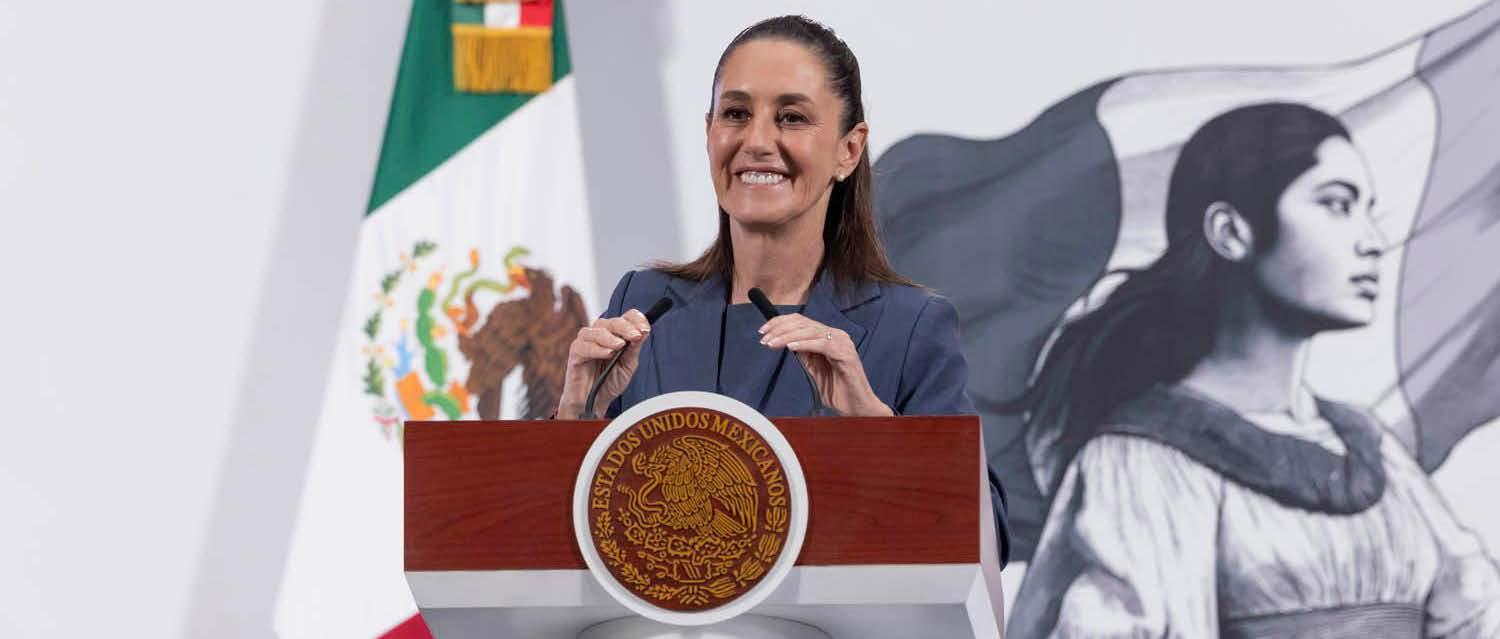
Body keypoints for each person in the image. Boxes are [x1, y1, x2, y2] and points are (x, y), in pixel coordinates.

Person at [1006, 103, 1500, 637]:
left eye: (1367, 210)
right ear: (1230, 232)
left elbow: (1470, 610)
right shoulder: (1144, 461)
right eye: (1337, 205)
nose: (1373, 241)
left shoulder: (1372, 448)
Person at [552, 15, 1008, 565]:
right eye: (736, 114)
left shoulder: (909, 326)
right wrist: (574, 414)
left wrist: (875, 428)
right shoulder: (644, 302)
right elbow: (546, 527)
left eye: (791, 118)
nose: (757, 141)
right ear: (709, 132)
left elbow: (990, 538)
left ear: (849, 149)